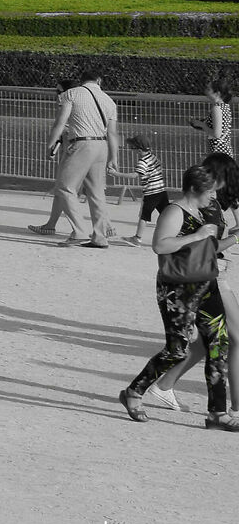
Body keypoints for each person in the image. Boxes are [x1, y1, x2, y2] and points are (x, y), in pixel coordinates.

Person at [117, 162, 236, 428]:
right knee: (177, 349)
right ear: (194, 189)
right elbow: (160, 245)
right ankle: (134, 392)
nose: (214, 196)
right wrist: (196, 235)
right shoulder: (174, 211)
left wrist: (230, 239)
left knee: (219, 344)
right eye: (210, 192)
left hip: (207, 283)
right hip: (177, 289)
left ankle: (217, 413)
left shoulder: (203, 211)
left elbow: (207, 245)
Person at [29, 69, 116, 246]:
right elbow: (113, 133)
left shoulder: (71, 94)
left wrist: (51, 144)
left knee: (64, 187)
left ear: (81, 80)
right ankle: (100, 236)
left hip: (82, 143)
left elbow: (60, 122)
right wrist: (114, 157)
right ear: (98, 80)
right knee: (96, 192)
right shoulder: (109, 100)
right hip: (102, 145)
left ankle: (79, 231)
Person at [124, 133, 167, 244]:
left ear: (138, 150)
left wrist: (116, 174)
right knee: (166, 213)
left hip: (151, 193)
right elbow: (159, 165)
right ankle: (177, 231)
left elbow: (134, 175)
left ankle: (137, 238)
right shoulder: (153, 157)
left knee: (144, 215)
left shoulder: (142, 162)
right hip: (161, 190)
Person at [191, 80, 233, 158]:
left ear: (217, 94)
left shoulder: (217, 108)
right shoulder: (225, 107)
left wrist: (202, 125)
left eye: (209, 89)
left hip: (218, 153)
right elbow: (219, 128)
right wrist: (199, 124)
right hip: (223, 151)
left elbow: (217, 134)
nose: (205, 91)